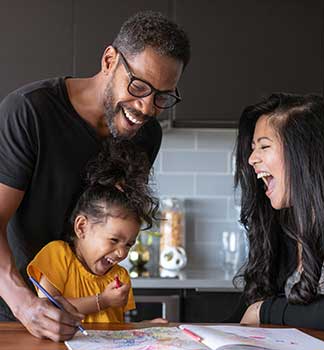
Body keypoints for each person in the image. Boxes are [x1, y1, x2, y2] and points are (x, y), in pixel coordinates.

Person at [0, 10, 190, 341]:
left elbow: (115, 220)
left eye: (162, 96)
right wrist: (24, 304)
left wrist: (136, 328)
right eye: (139, 86)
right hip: (16, 317)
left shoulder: (146, 137)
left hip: (92, 326)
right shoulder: (29, 112)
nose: (147, 108)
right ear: (108, 60)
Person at [233, 93, 324, 331]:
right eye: (253, 148)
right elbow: (246, 316)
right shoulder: (283, 221)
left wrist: (265, 310)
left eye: (264, 146)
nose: (252, 158)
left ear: (307, 155)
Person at [27, 139, 158, 323]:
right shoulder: (57, 255)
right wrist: (102, 300)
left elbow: (117, 327)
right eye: (114, 240)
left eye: (129, 244)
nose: (122, 253)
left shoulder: (119, 276)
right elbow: (50, 309)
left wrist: (147, 328)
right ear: (82, 227)